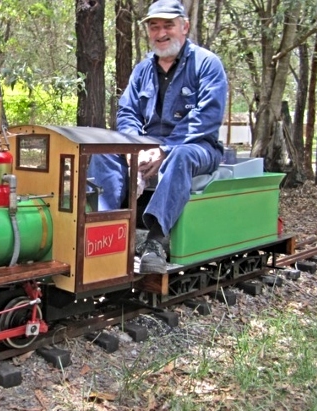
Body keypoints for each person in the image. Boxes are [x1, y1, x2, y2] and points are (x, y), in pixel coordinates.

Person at [88, 0, 227, 274]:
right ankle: (101, 229)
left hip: (196, 147)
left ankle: (156, 241)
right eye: (154, 27)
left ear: (184, 27)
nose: (161, 33)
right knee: (101, 150)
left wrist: (164, 148)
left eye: (168, 26)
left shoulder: (207, 64)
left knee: (181, 155)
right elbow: (127, 112)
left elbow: (207, 117)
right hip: (146, 149)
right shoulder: (142, 70)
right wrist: (135, 150)